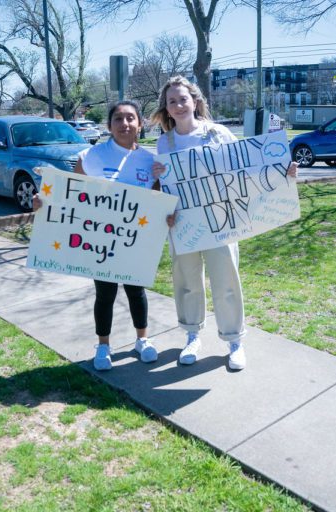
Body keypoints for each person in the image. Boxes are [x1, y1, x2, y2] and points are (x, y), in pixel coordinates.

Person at [151, 75, 298, 371]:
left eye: (183, 99)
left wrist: (282, 173)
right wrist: (158, 182)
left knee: (226, 281)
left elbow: (247, 170)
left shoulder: (218, 134)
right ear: (166, 108)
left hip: (222, 221)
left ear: (195, 101)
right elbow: (162, 189)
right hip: (183, 226)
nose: (178, 105)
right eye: (172, 101)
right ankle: (192, 336)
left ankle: (234, 341)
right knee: (187, 283)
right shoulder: (163, 144)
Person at [33, 101, 158, 371]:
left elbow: (158, 200)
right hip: (100, 240)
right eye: (118, 119)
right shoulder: (91, 156)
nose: (125, 124)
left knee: (137, 291)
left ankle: (142, 340)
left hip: (134, 240)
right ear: (109, 125)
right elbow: (71, 193)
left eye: (130, 118)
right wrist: (45, 200)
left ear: (140, 123)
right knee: (105, 294)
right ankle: (103, 346)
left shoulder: (150, 161)